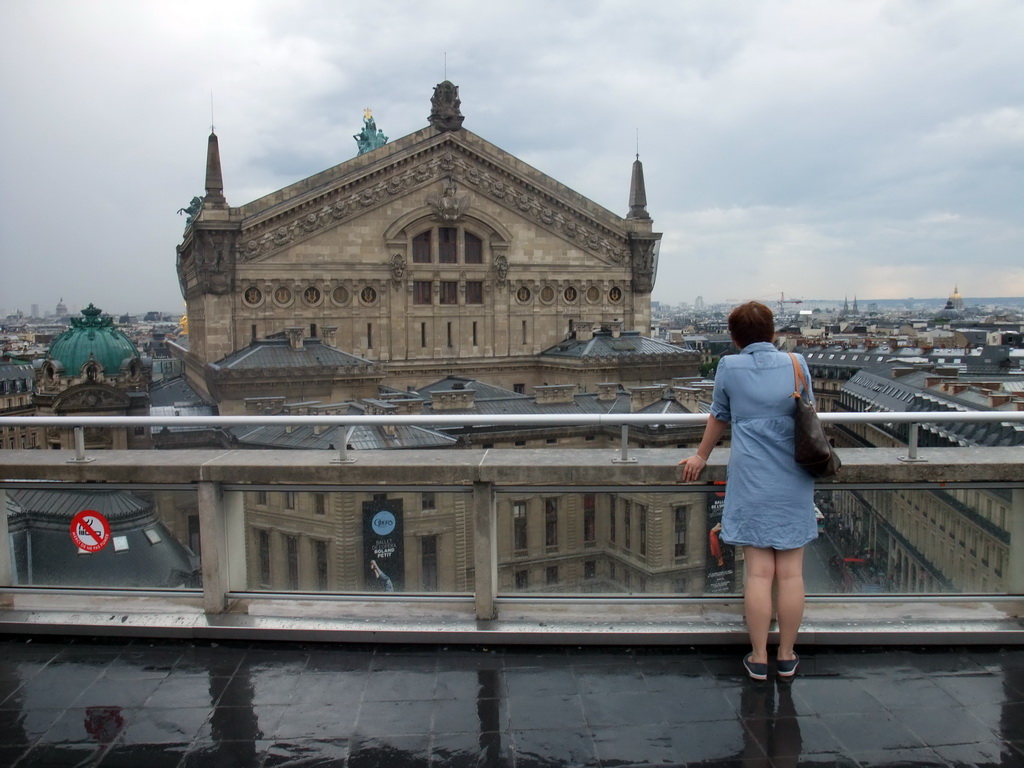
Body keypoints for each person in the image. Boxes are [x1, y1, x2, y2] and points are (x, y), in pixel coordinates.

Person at [679, 301, 817, 680]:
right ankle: (787, 656)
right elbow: (808, 414)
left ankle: (758, 657)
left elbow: (719, 416)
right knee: (791, 574)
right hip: (794, 477)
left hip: (752, 479)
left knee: (758, 574)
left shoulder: (729, 367)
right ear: (773, 333)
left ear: (735, 337)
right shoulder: (796, 364)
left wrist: (701, 455)